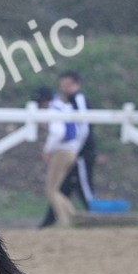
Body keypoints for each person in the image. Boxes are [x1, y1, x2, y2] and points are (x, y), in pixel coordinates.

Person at [39, 70, 95, 226]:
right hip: (72, 150)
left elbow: (59, 132)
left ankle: (66, 221)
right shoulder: (65, 105)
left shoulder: (57, 107)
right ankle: (73, 218)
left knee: (52, 190)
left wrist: (47, 149)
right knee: (60, 189)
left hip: (65, 150)